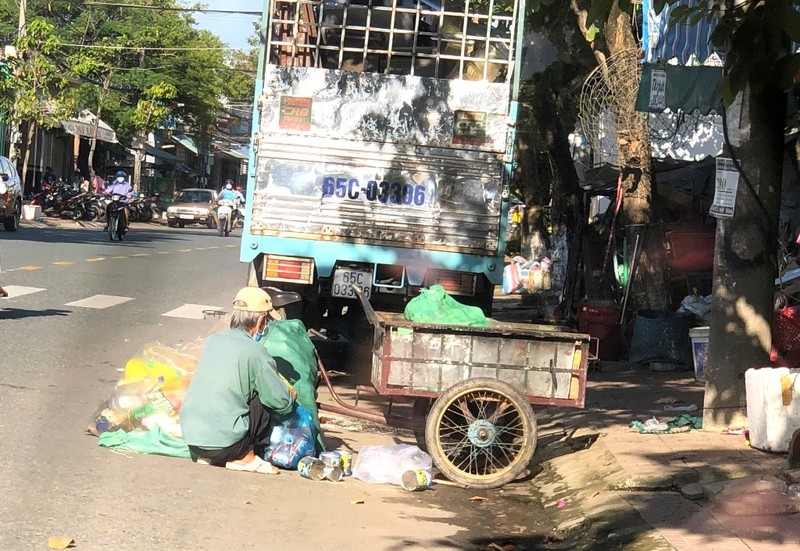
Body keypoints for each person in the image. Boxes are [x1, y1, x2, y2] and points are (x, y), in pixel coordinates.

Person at [180, 287, 296, 474]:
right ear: (261, 321)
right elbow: (279, 402)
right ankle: (244, 457)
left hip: (193, 441)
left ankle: (210, 454)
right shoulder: (256, 352)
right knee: (264, 396)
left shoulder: (213, 341)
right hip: (227, 445)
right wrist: (289, 397)